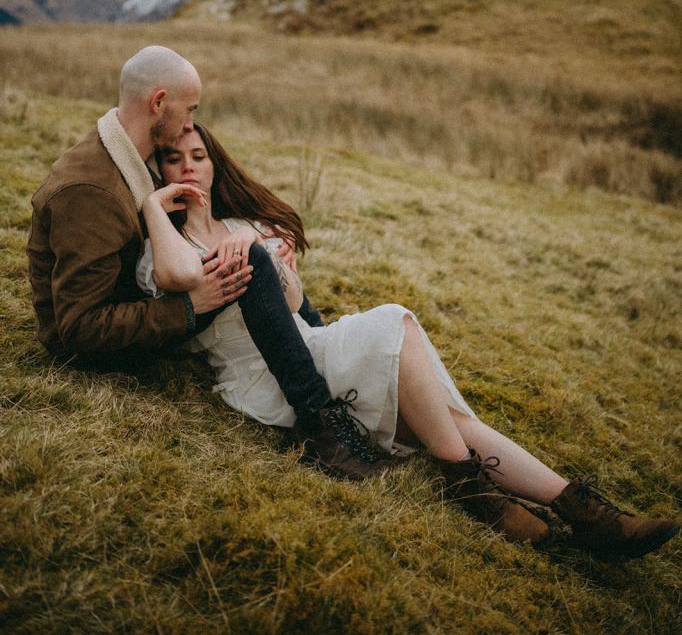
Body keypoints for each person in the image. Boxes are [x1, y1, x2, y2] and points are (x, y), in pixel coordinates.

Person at [139, 122, 680, 559]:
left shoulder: (246, 226)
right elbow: (177, 276)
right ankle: (474, 491)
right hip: (264, 378)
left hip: (310, 348)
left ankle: (583, 512)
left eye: (198, 155)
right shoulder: (166, 243)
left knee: (446, 418)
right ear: (158, 171)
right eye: (173, 158)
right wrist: (153, 209)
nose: (189, 167)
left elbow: (292, 310)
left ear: (215, 162)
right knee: (396, 323)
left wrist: (279, 263)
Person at [26, 45, 384, 479]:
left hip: (147, 303)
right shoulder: (92, 190)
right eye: (189, 109)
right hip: (97, 352)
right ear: (158, 103)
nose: (190, 124)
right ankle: (320, 424)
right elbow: (78, 330)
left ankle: (327, 354)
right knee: (241, 265)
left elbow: (225, 199)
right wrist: (190, 306)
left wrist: (271, 234)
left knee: (246, 253)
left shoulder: (136, 155)